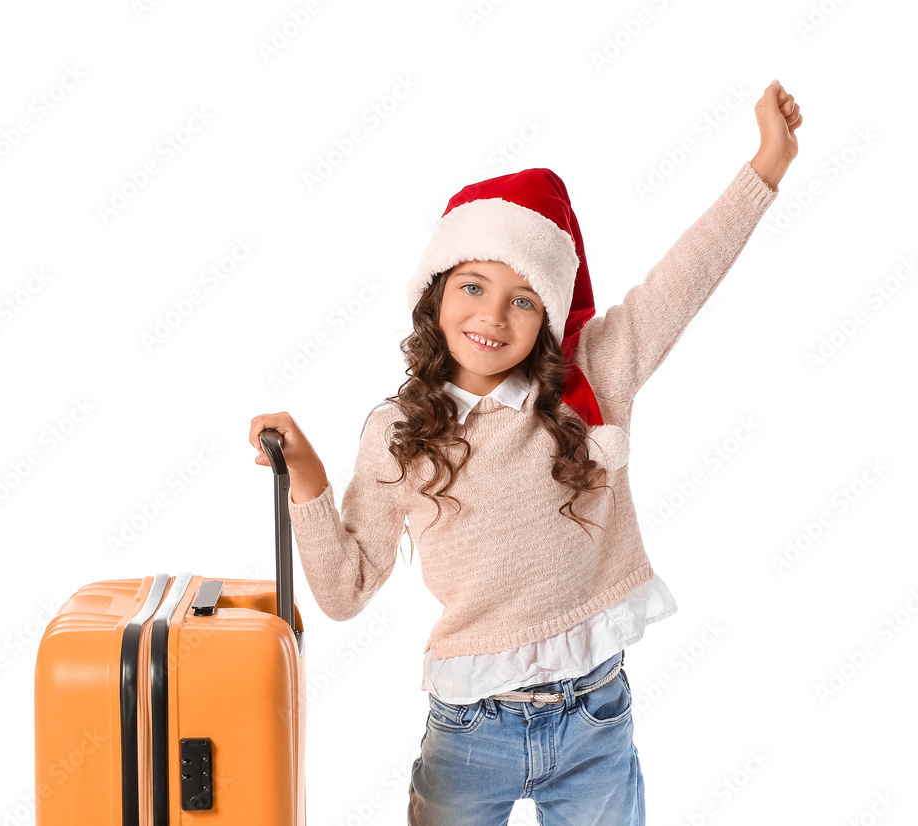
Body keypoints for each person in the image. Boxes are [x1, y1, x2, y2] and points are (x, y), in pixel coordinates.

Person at [249, 79, 802, 826]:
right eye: (472, 285)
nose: (491, 315)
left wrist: (766, 163)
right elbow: (345, 592)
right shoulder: (397, 433)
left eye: (522, 298)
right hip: (469, 734)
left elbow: (683, 279)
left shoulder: (594, 377)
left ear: (546, 313)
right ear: (435, 296)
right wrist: (309, 483)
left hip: (596, 721)